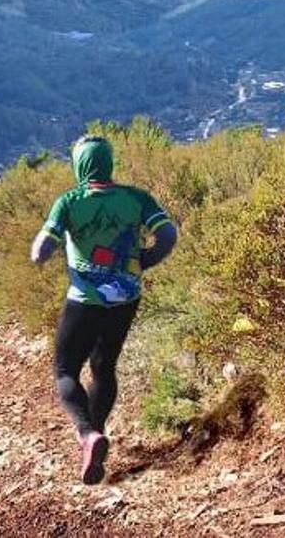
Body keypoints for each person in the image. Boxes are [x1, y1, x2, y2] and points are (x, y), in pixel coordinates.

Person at [31, 135, 178, 485]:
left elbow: (40, 252)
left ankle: (87, 433)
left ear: (79, 165)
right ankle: (96, 435)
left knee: (65, 369)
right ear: (108, 163)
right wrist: (143, 261)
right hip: (126, 298)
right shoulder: (136, 197)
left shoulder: (69, 201)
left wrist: (47, 247)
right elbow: (168, 235)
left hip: (85, 300)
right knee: (104, 366)